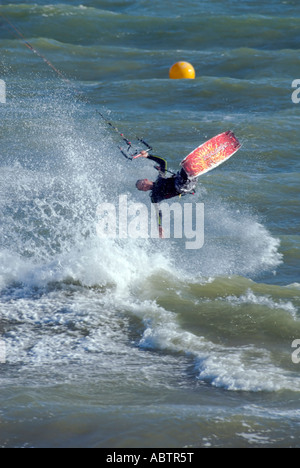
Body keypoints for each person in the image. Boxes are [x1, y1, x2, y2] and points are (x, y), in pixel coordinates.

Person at [134, 150, 197, 238]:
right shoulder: (154, 197)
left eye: (142, 184)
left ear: (146, 179)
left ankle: (198, 166)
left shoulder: (160, 178)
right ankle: (190, 171)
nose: (144, 186)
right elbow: (158, 212)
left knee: (185, 166)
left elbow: (163, 162)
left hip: (190, 181)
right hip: (183, 187)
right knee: (184, 170)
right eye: (142, 188)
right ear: (144, 191)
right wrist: (159, 225)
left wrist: (147, 156)